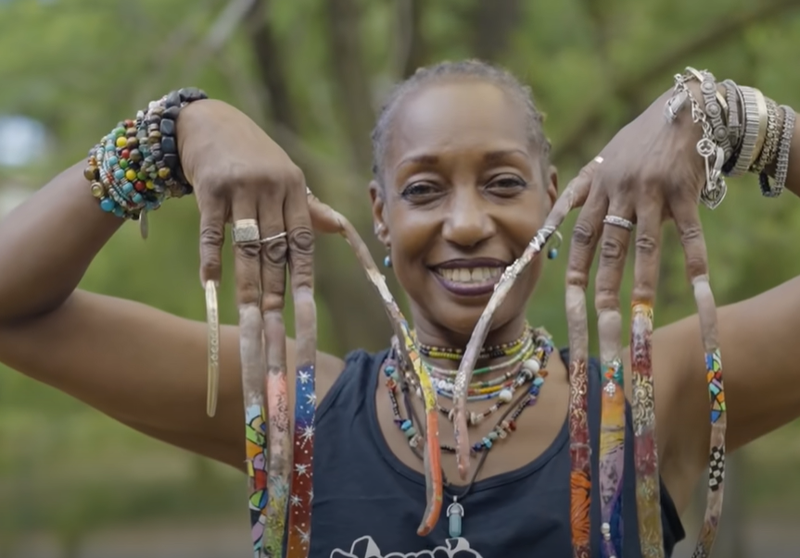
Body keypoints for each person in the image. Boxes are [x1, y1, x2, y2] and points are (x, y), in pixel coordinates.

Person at [0, 59, 798, 558]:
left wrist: (732, 120)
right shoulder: (291, 414)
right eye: (422, 190)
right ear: (380, 216)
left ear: (556, 201)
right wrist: (176, 132)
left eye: (504, 182)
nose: (465, 222)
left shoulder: (650, 407)